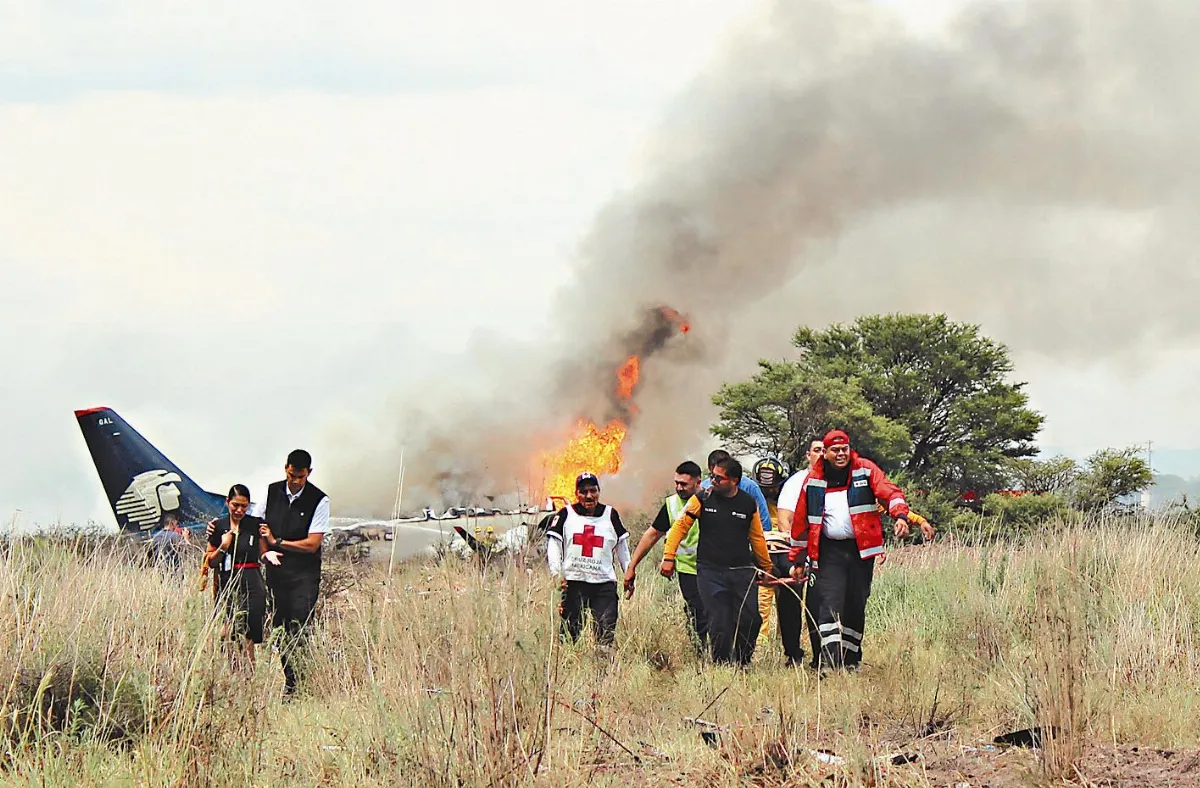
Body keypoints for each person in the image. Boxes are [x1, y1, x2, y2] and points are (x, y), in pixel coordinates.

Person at [788, 430, 910, 671]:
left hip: (860, 551)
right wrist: (798, 559)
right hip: (828, 551)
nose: (841, 454)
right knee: (828, 604)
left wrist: (900, 516)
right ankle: (829, 663)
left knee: (856, 604)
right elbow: (801, 522)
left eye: (844, 449)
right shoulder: (813, 480)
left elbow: (890, 493)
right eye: (835, 450)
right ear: (826, 452)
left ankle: (851, 660)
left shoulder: (865, 469)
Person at [660, 458, 774, 666]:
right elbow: (679, 527)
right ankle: (721, 665)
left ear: (734, 481)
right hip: (710, 571)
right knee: (719, 621)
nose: (712, 481)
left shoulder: (748, 503)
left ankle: (742, 662)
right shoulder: (702, 498)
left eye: (718, 478)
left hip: (742, 570)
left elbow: (757, 537)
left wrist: (766, 567)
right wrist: (669, 557)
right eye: (712, 476)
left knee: (751, 619)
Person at [257, 449, 330, 696]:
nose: (295, 481)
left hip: (304, 576)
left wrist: (278, 543)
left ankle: (297, 685)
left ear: (309, 473)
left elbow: (312, 544)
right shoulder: (270, 492)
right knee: (279, 628)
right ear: (285, 468)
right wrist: (266, 551)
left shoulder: (319, 500)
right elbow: (258, 527)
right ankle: (290, 679)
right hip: (277, 574)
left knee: (298, 627)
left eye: (300, 477)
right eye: (292, 475)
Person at [622, 461, 708, 651]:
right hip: (687, 569)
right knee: (697, 612)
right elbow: (652, 534)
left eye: (684, 484)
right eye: (676, 483)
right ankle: (702, 654)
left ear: (698, 482)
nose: (679, 488)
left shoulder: (710, 500)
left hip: (713, 569)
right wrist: (632, 566)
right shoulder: (672, 504)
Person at [546, 472, 630, 646]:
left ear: (599, 491)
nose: (589, 496)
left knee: (606, 632)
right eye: (583, 492)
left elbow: (621, 545)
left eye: (593, 490)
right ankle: (569, 668)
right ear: (577, 494)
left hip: (604, 584)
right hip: (574, 583)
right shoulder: (566, 514)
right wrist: (556, 574)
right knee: (570, 634)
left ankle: (602, 669)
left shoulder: (610, 514)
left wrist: (628, 572)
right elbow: (553, 544)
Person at [206, 484, 278, 669]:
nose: (239, 510)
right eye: (235, 505)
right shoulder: (218, 526)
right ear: (227, 502)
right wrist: (223, 546)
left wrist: (268, 555)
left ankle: (248, 674)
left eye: (244, 506)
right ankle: (233, 670)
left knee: (247, 633)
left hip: (251, 580)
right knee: (227, 631)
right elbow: (211, 561)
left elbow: (262, 553)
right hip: (227, 581)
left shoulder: (256, 524)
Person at [753, 457, 806, 664]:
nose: (770, 491)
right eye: (764, 487)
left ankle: (791, 650)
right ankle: (761, 643)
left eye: (774, 487)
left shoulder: (790, 499)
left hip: (789, 556)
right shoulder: (753, 503)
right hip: (762, 556)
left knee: (791, 604)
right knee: (761, 600)